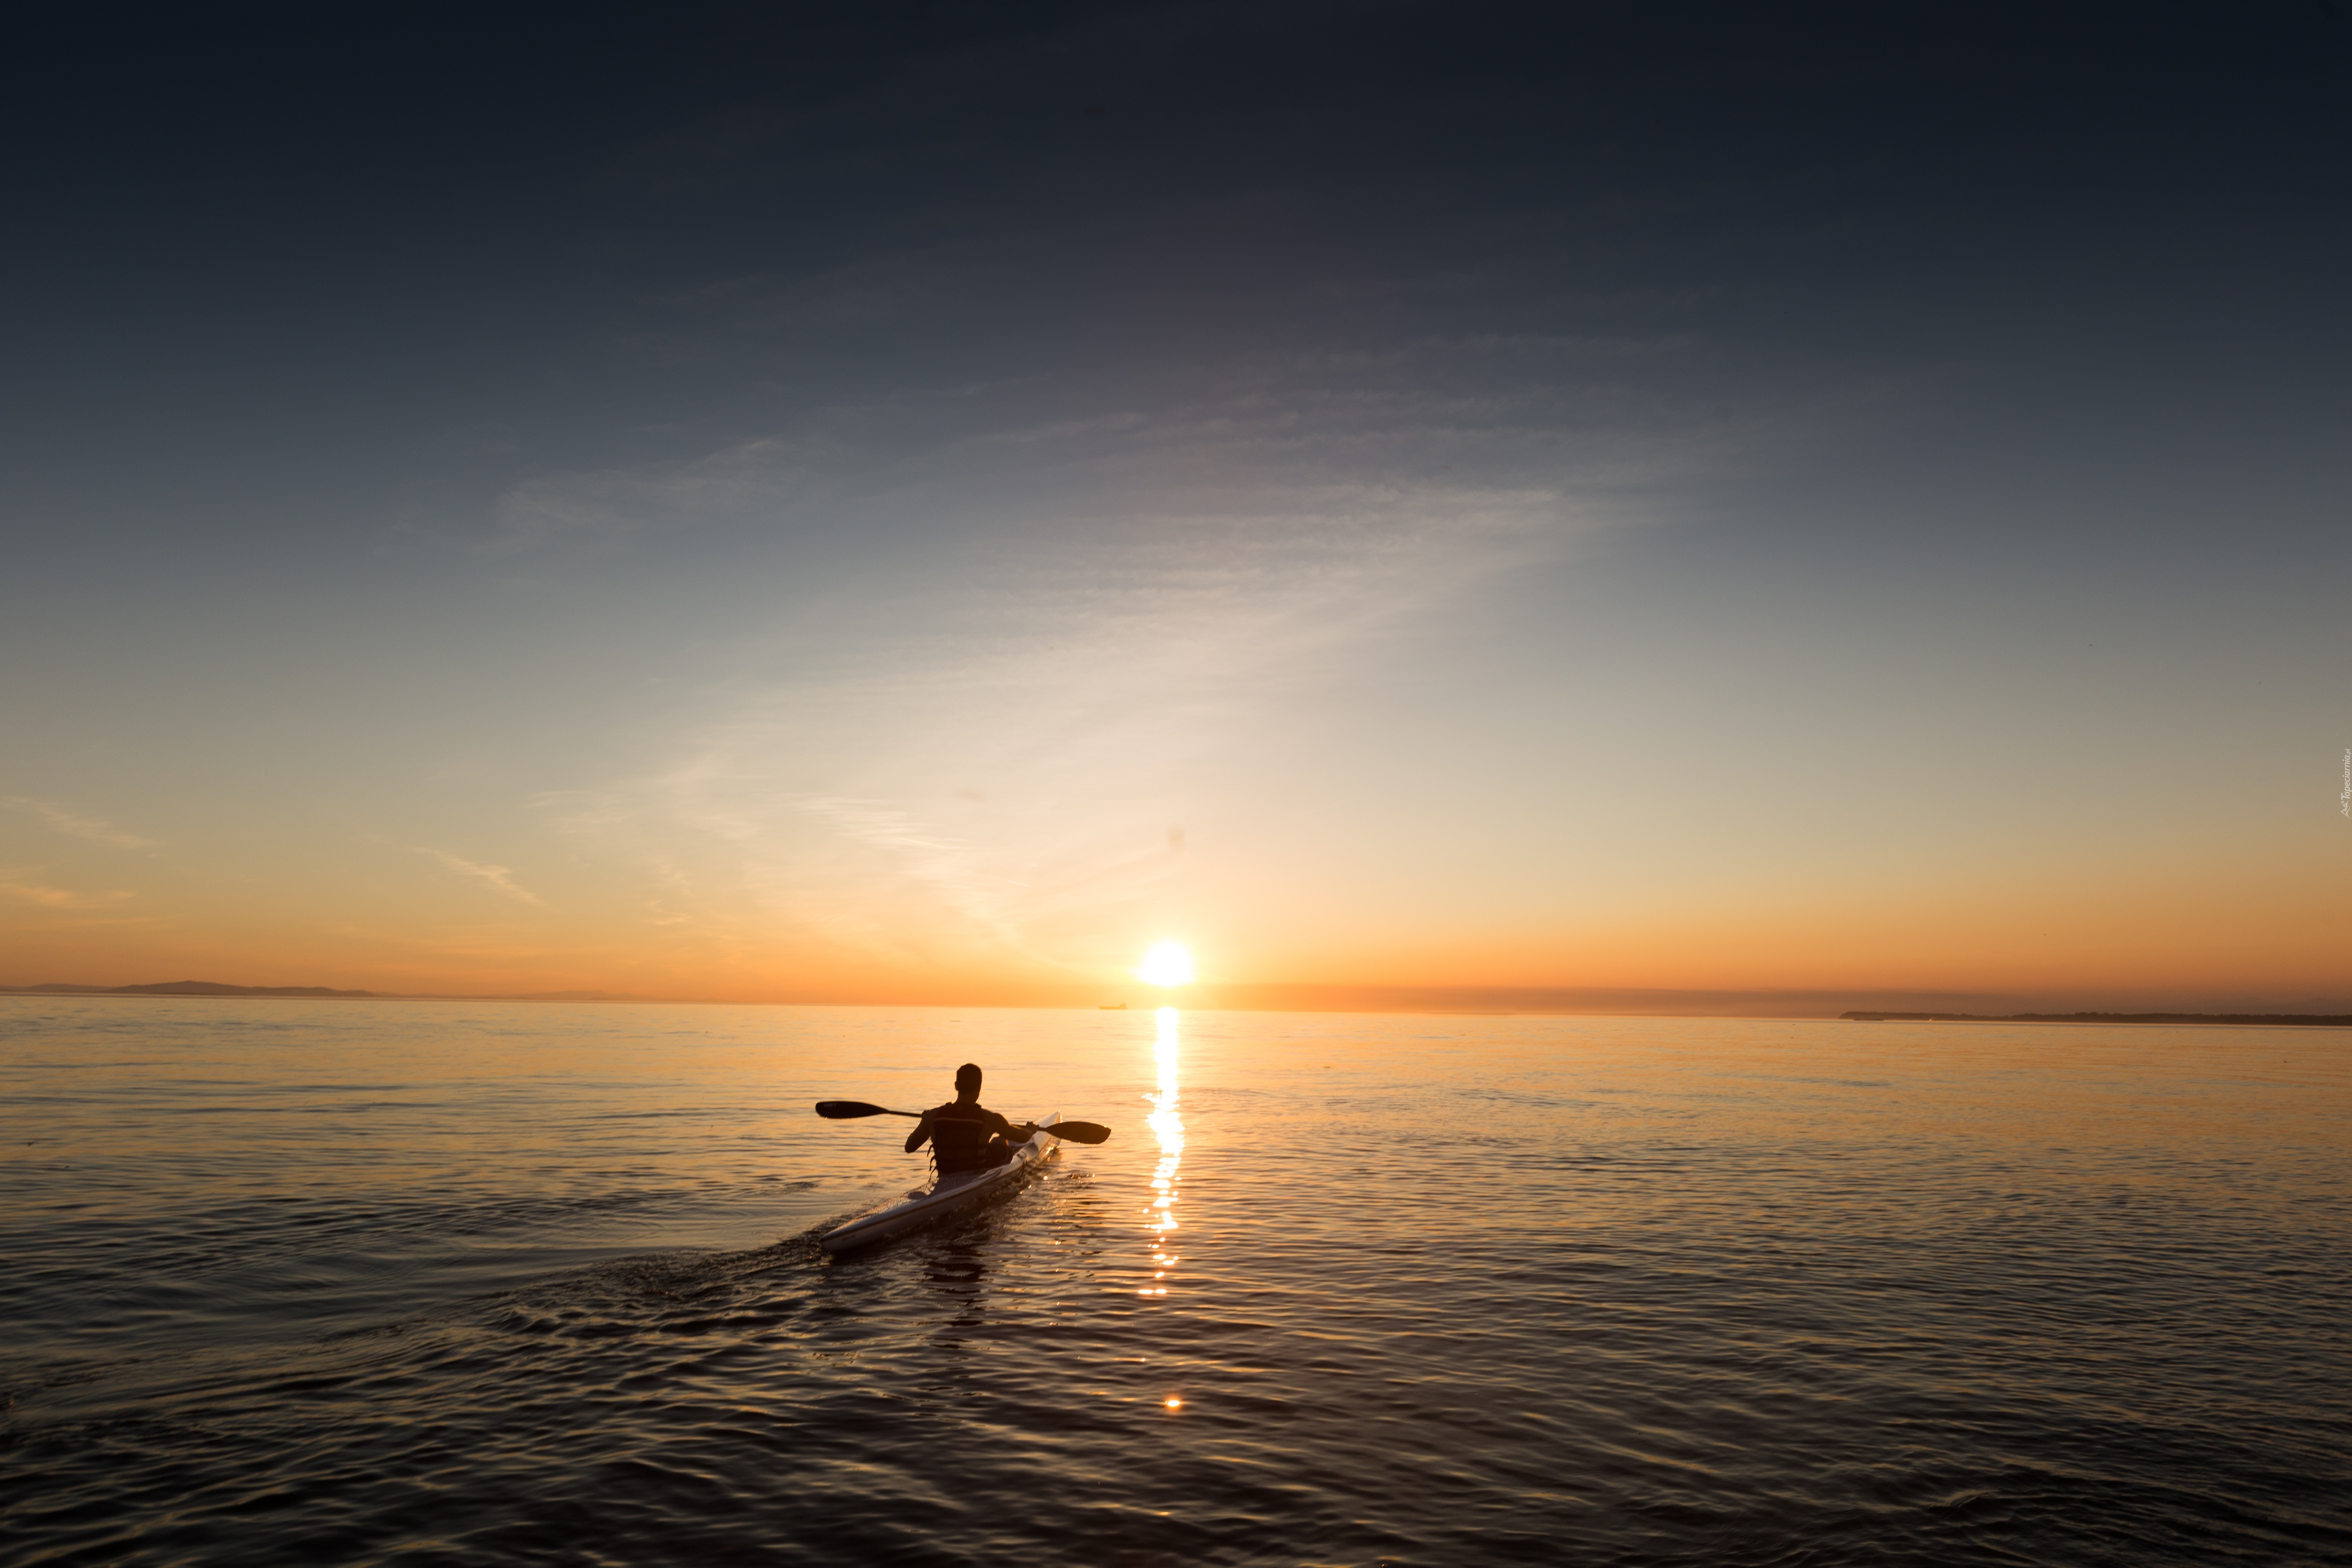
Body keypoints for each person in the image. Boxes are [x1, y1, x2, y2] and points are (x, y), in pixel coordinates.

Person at [905, 1063, 1036, 1174]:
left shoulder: (933, 1116)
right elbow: (1022, 1138)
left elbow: (909, 1147)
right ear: (979, 1088)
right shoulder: (990, 1118)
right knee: (1001, 1141)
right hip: (975, 1176)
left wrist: (925, 1121)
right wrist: (1031, 1131)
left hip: (945, 1175)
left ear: (956, 1086)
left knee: (998, 1140)